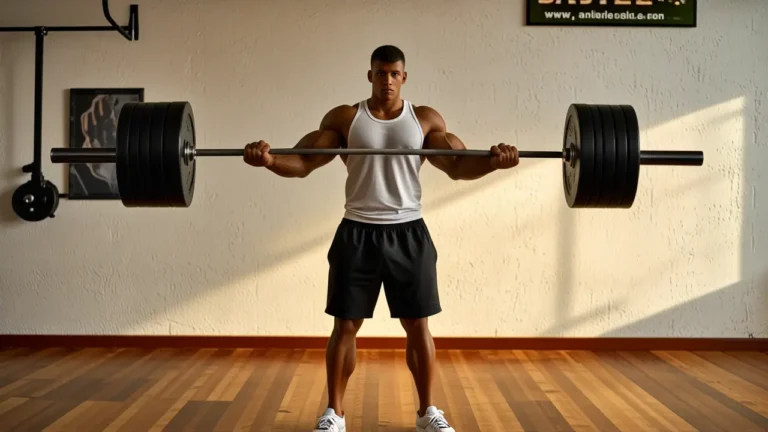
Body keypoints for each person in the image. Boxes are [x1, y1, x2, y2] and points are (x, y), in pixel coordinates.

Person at [243, 45, 519, 432]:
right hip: (357, 230)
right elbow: (304, 161)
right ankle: (334, 414)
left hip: (409, 232)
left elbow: (458, 166)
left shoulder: (423, 121)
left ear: (404, 77)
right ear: (369, 75)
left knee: (418, 325)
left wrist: (494, 162)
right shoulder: (345, 118)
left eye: (394, 74)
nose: (387, 80)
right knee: (345, 326)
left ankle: (427, 413)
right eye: (380, 73)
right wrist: (269, 161)